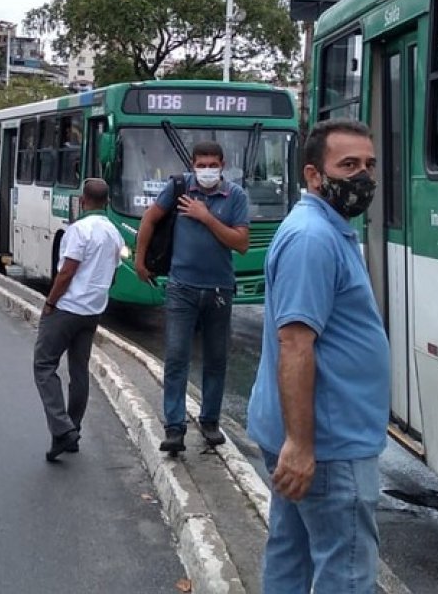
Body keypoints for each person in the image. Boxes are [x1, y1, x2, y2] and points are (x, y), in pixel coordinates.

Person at [247, 119, 387, 593]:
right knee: (345, 570)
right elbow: (295, 343)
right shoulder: (313, 238)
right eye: (348, 165)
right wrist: (302, 446)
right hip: (327, 443)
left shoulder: (325, 229)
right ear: (313, 175)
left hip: (310, 437)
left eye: (369, 165)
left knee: (292, 551)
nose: (362, 177)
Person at [134, 140, 249, 453]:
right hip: (181, 287)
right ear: (193, 164)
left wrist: (206, 217)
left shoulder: (236, 196)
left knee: (216, 359)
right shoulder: (180, 188)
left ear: (222, 165)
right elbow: (150, 219)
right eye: (202, 164)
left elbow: (241, 243)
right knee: (176, 357)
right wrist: (139, 259)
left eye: (213, 165)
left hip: (219, 290)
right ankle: (174, 427)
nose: (207, 170)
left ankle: (210, 420)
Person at [33, 178, 123, 461]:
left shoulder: (78, 230)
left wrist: (50, 303)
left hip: (67, 308)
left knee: (44, 364)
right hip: (93, 311)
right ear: (107, 202)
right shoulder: (114, 233)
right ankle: (72, 429)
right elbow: (115, 273)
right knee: (79, 369)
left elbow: (67, 271)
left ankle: (62, 429)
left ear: (82, 201)